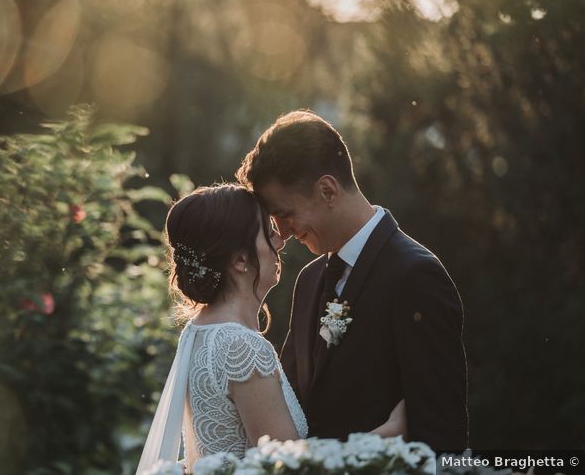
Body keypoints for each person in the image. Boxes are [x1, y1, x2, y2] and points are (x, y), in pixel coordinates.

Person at [236, 110, 469, 453]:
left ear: (328, 191)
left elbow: (442, 433)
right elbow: (292, 406)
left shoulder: (415, 276)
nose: (281, 233)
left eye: (285, 214)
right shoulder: (309, 280)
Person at [135, 184, 403, 474]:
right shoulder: (240, 346)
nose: (280, 240)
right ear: (239, 260)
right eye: (267, 231)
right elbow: (289, 466)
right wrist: (391, 431)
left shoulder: (200, 329)